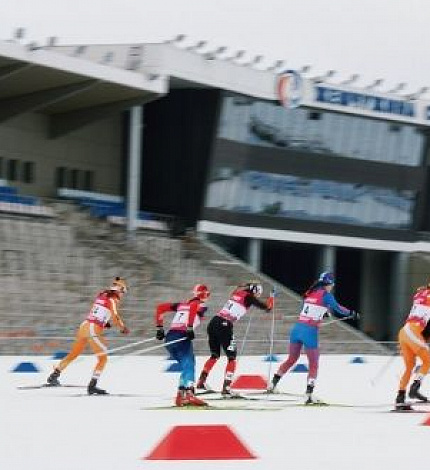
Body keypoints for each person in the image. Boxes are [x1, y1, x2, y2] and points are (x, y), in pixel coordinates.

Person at [268, 272, 356, 404]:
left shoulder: (310, 293)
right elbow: (338, 308)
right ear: (329, 284)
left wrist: (323, 312)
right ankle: (308, 394)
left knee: (291, 359)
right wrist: (352, 313)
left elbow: (308, 308)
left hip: (297, 329)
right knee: (314, 364)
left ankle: (272, 384)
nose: (332, 287)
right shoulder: (327, 296)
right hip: (309, 332)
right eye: (332, 285)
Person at [46, 277, 130, 395]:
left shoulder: (102, 296)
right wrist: (122, 327)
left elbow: (96, 312)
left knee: (73, 354)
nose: (122, 295)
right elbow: (115, 316)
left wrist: (104, 323)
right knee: (103, 358)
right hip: (93, 329)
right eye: (123, 292)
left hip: (84, 326)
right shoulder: (113, 299)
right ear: (118, 290)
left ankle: (53, 376)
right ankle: (92, 386)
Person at [196, 281, 274, 397]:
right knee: (232, 358)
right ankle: (226, 388)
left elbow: (238, 289)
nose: (258, 296)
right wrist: (272, 297)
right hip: (225, 324)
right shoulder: (249, 297)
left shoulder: (238, 293)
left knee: (214, 355)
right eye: (258, 294)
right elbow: (267, 308)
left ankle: (201, 382)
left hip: (214, 322)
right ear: (255, 291)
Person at [155, 284, 211, 407]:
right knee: (190, 364)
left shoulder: (181, 305)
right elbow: (193, 307)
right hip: (182, 336)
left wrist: (159, 328)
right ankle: (189, 394)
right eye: (207, 295)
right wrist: (190, 327)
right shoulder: (200, 304)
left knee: (186, 365)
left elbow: (160, 307)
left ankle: (180, 396)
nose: (207, 297)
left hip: (170, 337)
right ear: (204, 295)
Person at [395, 283, 430, 411]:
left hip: (404, 331)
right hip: (413, 331)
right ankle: (415, 387)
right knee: (428, 360)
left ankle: (400, 397)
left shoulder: (420, 293)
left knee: (409, 367)